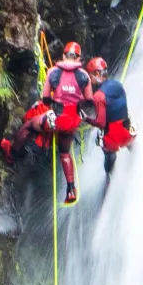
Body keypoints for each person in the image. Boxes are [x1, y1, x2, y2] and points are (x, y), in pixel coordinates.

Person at [41, 42, 93, 204]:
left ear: (63, 55)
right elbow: (89, 99)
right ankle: (71, 188)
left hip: (57, 119)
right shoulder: (84, 76)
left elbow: (45, 98)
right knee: (65, 152)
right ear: (79, 58)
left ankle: (13, 152)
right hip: (72, 121)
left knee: (32, 123)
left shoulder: (52, 72)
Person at [87, 57, 134, 174]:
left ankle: (109, 176)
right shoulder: (118, 85)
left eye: (90, 75)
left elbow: (101, 123)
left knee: (109, 154)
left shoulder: (98, 96)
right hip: (126, 130)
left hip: (113, 138)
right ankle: (137, 156)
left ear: (97, 74)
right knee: (130, 141)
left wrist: (86, 118)